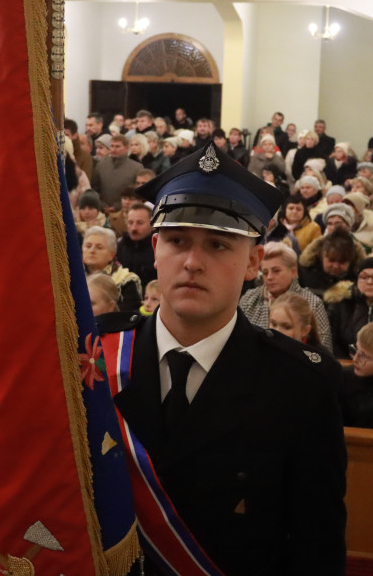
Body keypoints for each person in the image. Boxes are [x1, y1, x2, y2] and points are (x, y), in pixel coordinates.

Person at [96, 142, 346, 575]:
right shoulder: (95, 359)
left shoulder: (299, 384)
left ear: (253, 262)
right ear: (155, 248)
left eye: (217, 245)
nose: (192, 262)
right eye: (177, 240)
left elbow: (315, 544)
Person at [239, 241, 333, 352]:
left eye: (276, 271)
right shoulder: (249, 298)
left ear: (293, 272)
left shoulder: (312, 303)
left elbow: (324, 350)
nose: (269, 277)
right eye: (265, 272)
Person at [82, 226, 142, 313]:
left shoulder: (127, 280)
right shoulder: (71, 276)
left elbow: (127, 316)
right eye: (88, 246)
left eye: (99, 247)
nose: (92, 251)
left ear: (112, 254)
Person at [116, 203, 156, 287]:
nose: (134, 228)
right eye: (130, 223)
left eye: (140, 223)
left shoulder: (158, 247)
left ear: (152, 224)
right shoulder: (120, 246)